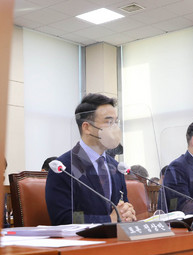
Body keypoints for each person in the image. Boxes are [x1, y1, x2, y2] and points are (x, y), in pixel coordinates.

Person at [45, 93, 136, 225]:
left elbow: (120, 208)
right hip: (82, 238)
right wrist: (108, 220)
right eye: (109, 122)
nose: (115, 128)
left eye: (116, 122)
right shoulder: (63, 168)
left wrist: (127, 212)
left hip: (116, 236)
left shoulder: (116, 167)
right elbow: (63, 217)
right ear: (87, 127)